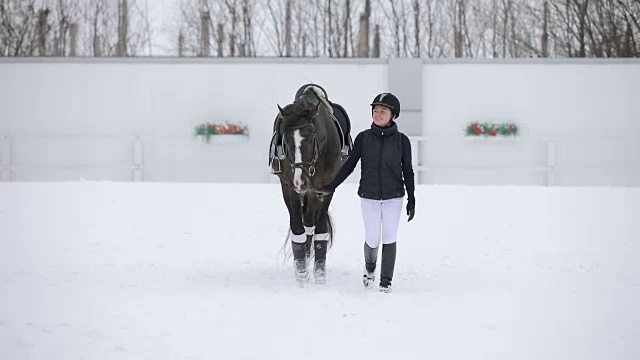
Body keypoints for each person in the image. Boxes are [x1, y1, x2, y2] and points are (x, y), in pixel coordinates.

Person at [319, 92, 415, 293]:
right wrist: (332, 185)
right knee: (372, 238)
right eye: (375, 111)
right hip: (369, 196)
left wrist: (411, 198)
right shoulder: (363, 138)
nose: (378, 114)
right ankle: (370, 268)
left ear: (393, 115)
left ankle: (386, 281)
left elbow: (408, 170)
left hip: (394, 196)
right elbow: (349, 166)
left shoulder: (402, 141)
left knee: (389, 236)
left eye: (383, 111)